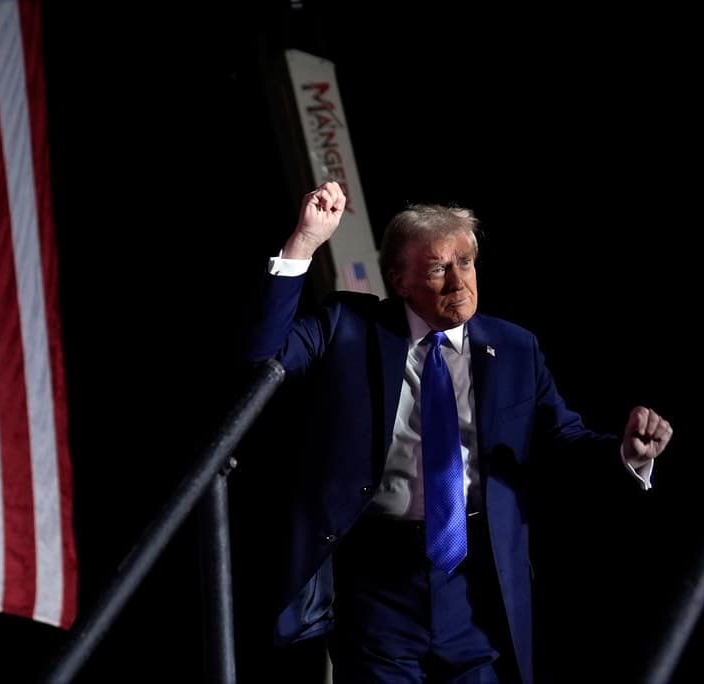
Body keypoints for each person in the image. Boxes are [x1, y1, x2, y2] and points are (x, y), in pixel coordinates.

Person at [243, 181, 673, 683]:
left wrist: (627, 454)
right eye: (436, 268)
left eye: (465, 262)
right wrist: (303, 243)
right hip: (378, 585)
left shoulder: (515, 349)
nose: (458, 283)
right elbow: (261, 361)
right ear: (399, 281)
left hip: (477, 589)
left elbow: (564, 439)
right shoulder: (347, 326)